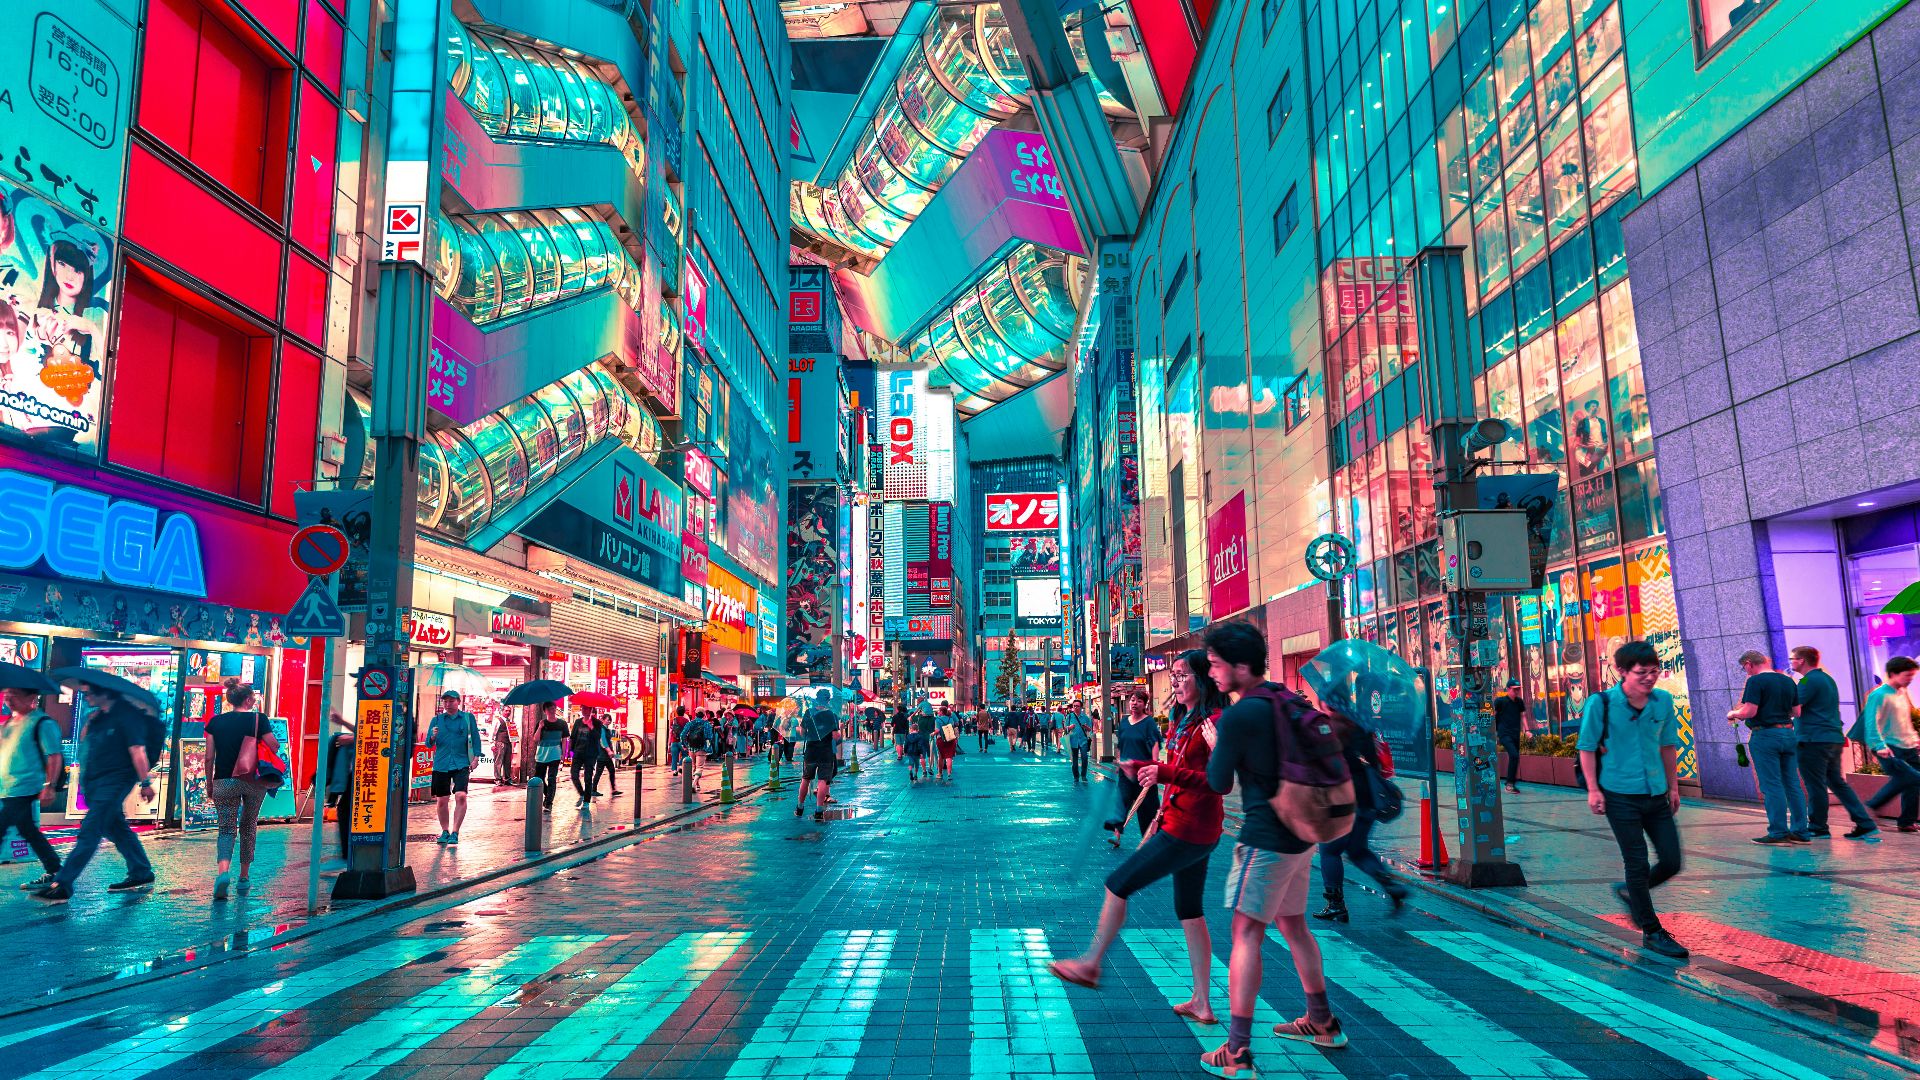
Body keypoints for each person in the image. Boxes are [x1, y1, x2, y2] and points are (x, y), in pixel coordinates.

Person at [1051, 649, 1225, 1026]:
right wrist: (1147, 767)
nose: (1175, 682)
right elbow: (1177, 767)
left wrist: (1164, 775)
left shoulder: (1213, 722)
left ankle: (1091, 964)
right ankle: (1202, 1002)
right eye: (1173, 675)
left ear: (1203, 679)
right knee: (1190, 911)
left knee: (1117, 883)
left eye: (1182, 675)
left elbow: (1217, 782)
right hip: (1191, 825)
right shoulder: (1184, 718)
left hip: (1189, 828)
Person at [1201, 622, 1345, 1073]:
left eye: (1217, 665)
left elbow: (1219, 783)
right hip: (1303, 833)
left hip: (1267, 838)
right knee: (1294, 924)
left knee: (1246, 934)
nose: (1213, 674)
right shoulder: (1285, 697)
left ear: (1242, 666)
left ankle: (1238, 1050)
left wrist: (1215, 745)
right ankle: (1321, 1020)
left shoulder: (1241, 714)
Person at [1578, 640, 1690, 959]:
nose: (1650, 678)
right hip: (1619, 794)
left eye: (1655, 671)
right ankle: (1652, 930)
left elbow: (1668, 746)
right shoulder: (1601, 704)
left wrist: (1673, 787)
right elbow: (1586, 747)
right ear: (1622, 672)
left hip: (1656, 793)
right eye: (1642, 672)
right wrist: (1593, 790)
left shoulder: (1662, 702)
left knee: (1672, 860)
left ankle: (1631, 893)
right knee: (1637, 861)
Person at [33, 683, 157, 903]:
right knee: (116, 828)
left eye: (89, 692)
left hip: (116, 781)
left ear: (105, 691)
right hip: (95, 783)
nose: (85, 696)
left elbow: (137, 751)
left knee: (90, 830)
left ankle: (63, 883)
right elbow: (86, 745)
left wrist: (145, 781)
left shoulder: (128, 717)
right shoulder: (97, 717)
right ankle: (141, 871)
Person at [1311, 709, 1408, 921]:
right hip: (1368, 801)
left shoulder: (1331, 733)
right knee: (1358, 850)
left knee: (1329, 851)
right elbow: (1377, 765)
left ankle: (1335, 904)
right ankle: (1389, 884)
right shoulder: (1365, 732)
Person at [1789, 645, 1877, 841]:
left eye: (1792, 659)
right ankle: (1865, 823)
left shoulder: (1807, 681)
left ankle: (1818, 826)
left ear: (1802, 660)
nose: (1791, 662)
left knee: (1815, 784)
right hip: (1833, 737)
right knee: (1836, 782)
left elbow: (1794, 708)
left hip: (1813, 739)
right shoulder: (1827, 679)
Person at [1728, 650, 1810, 844]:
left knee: (1771, 784)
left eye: (1744, 668)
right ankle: (1801, 832)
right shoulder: (1788, 680)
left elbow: (1750, 710)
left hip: (1765, 735)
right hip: (1788, 734)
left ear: (1749, 664)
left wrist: (1734, 713)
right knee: (1792, 784)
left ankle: (1778, 833)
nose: (1746, 672)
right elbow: (1797, 712)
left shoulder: (1755, 681)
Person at [205, 682, 275, 899]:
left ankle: (223, 873)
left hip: (224, 780)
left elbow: (208, 757)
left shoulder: (215, 722)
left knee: (226, 828)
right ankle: (243, 878)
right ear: (247, 700)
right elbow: (273, 745)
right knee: (248, 825)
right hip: (253, 779)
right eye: (253, 697)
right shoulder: (258, 719)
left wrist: (209, 783)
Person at [0, 680, 62, 891]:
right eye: (6, 693)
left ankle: (55, 871)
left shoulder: (42, 723)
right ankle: (55, 870)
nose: (8, 698)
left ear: (31, 698)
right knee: (28, 830)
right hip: (6, 787)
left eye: (14, 694)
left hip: (24, 787)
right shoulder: (8, 723)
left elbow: (54, 756)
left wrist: (49, 785)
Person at [1865, 656, 1920, 831]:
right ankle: (1871, 805)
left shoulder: (1902, 693)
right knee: (1911, 777)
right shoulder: (1878, 695)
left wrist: (1914, 738)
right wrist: (1879, 745)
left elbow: (1904, 720)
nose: (1910, 680)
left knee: (1912, 782)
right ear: (1893, 674)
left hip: (1908, 744)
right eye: (1907, 675)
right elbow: (1871, 722)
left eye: (1912, 676)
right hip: (1889, 746)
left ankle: (1906, 822)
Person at [427, 691, 484, 841]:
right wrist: (433, 735)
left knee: (461, 796)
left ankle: (455, 832)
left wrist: (476, 757)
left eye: (451, 701)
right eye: (445, 701)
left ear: (459, 702)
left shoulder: (467, 718)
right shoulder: (436, 720)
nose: (448, 704)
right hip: (441, 764)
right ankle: (444, 831)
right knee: (442, 800)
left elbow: (475, 739)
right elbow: (428, 743)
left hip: (461, 763)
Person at [1113, 691, 1163, 842]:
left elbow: (1155, 744)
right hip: (1125, 772)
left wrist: (1154, 765)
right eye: (1133, 700)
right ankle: (1116, 834)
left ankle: (1150, 840)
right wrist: (1119, 760)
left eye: (1139, 701)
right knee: (1122, 801)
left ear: (1144, 704)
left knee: (1147, 809)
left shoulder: (1149, 722)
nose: (1135, 703)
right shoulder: (1124, 722)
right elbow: (1121, 744)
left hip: (1144, 773)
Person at [796, 707, 837, 822]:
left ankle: (799, 808)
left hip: (811, 751)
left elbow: (802, 732)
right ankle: (819, 811)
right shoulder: (830, 714)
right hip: (826, 751)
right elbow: (835, 736)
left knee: (806, 778)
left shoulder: (809, 712)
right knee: (823, 780)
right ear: (828, 701)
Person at [323, 712, 354, 862]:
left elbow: (375, 732)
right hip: (357, 772)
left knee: (345, 810)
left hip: (366, 772)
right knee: (345, 809)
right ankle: (347, 853)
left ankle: (348, 854)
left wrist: (355, 738)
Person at [530, 703, 567, 812]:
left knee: (551, 778)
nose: (552, 710)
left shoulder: (562, 724)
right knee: (539, 778)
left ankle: (548, 803)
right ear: (545, 711)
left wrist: (563, 754)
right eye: (549, 709)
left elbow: (564, 740)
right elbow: (535, 739)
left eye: (554, 708)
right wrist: (540, 728)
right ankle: (548, 795)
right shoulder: (541, 723)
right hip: (541, 754)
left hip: (555, 754)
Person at [569, 708, 605, 809]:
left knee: (588, 777)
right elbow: (573, 737)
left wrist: (591, 727)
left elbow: (597, 737)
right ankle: (582, 793)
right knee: (574, 774)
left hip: (591, 754)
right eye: (583, 708)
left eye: (587, 709)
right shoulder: (578, 722)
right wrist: (570, 751)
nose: (584, 711)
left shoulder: (597, 723)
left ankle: (586, 801)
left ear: (591, 710)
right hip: (578, 752)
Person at [1494, 681, 1526, 794]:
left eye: (1518, 689)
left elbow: (1522, 716)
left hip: (1515, 734)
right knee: (1514, 754)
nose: (1516, 691)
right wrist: (1493, 732)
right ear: (1508, 689)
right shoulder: (1500, 701)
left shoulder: (1519, 702)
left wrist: (1526, 730)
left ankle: (1511, 783)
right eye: (1514, 689)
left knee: (1515, 757)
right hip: (1504, 734)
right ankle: (1509, 784)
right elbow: (1493, 715)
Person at [681, 710, 714, 792]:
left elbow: (682, 735)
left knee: (693, 766)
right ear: (704, 715)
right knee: (699, 767)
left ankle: (696, 784)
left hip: (691, 747)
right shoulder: (706, 724)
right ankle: (694, 783)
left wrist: (685, 744)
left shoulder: (690, 723)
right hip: (701, 748)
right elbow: (709, 737)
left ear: (695, 714)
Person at [1068, 707, 1094, 781]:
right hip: (1073, 741)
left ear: (1081, 707)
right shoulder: (1069, 716)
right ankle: (1076, 776)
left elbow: (1090, 729)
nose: (1075, 707)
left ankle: (1083, 775)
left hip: (1083, 741)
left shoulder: (1085, 717)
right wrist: (1069, 727)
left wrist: (1086, 726)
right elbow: (1065, 728)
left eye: (1077, 706)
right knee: (1074, 760)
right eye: (1074, 705)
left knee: (1084, 758)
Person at [492, 715, 516, 786]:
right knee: (498, 761)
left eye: (509, 711)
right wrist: (492, 744)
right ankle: (498, 779)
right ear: (502, 711)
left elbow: (513, 734)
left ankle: (507, 779)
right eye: (506, 710)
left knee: (507, 762)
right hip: (500, 742)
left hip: (508, 743)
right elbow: (493, 732)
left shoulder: (510, 722)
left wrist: (514, 741)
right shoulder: (498, 720)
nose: (508, 712)